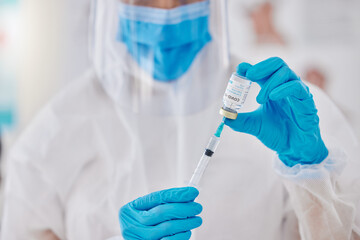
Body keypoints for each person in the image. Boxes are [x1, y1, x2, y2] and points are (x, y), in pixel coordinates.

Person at [1, 0, 360, 239]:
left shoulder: (284, 109)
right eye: (143, 0)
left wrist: (311, 170)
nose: (166, 9)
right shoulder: (55, 131)